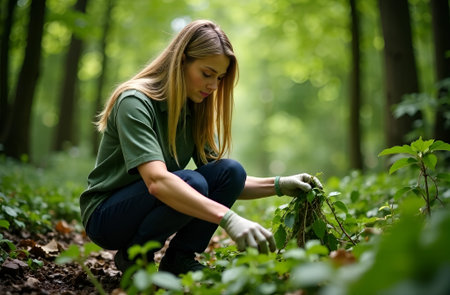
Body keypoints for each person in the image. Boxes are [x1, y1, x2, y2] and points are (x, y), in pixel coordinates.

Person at [80, 19, 321, 276]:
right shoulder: (134, 102)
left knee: (231, 170)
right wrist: (228, 219)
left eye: (219, 77)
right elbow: (157, 181)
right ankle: (135, 257)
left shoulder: (193, 108)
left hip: (149, 201)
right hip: (106, 217)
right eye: (206, 74)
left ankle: (179, 259)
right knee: (193, 182)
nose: (213, 86)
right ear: (181, 60)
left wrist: (279, 184)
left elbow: (226, 181)